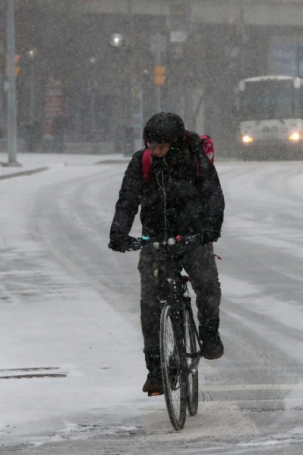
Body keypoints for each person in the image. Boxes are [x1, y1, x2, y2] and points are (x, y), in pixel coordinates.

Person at [108, 112, 225, 396]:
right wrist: (119, 234)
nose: (155, 151)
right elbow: (127, 200)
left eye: (160, 146)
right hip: (156, 240)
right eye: (151, 145)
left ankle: (209, 335)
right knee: (150, 304)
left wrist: (210, 230)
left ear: (174, 144)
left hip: (193, 236)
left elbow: (213, 195)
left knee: (207, 286)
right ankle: (156, 371)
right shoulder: (142, 161)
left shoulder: (195, 158)